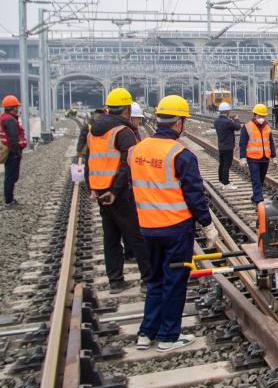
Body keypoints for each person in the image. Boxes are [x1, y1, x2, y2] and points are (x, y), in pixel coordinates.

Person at [129, 94, 217, 352]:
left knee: (155, 279)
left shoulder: (137, 150)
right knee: (175, 281)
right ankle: (168, 336)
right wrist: (207, 225)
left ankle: (146, 333)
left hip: (147, 228)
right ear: (179, 122)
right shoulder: (181, 155)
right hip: (175, 229)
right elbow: (194, 196)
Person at [85, 88, 152, 294]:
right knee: (136, 237)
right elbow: (127, 166)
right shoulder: (123, 132)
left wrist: (92, 188)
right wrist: (115, 190)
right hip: (120, 194)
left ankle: (115, 281)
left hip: (101, 192)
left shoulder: (93, 132)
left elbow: (89, 161)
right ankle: (148, 280)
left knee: (111, 238)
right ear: (126, 110)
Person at [239, 104, 276, 205]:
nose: (262, 118)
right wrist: (243, 157)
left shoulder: (267, 127)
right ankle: (259, 201)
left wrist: (274, 156)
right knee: (256, 180)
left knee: (261, 179)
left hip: (265, 158)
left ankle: (255, 197)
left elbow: (271, 142)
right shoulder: (247, 127)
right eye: (260, 116)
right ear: (255, 115)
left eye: (263, 116)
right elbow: (242, 143)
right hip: (253, 158)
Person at [1, 95, 27, 208]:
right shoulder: (10, 120)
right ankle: (9, 201)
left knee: (10, 176)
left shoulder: (6, 118)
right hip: (12, 153)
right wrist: (17, 153)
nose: (17, 109)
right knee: (11, 176)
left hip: (10, 152)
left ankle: (9, 199)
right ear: (13, 108)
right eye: (16, 107)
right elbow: (13, 138)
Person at [214, 102, 241, 189]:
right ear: (227, 111)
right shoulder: (228, 122)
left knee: (222, 164)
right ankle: (226, 183)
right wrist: (236, 119)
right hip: (228, 147)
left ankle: (221, 181)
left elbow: (228, 126)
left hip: (221, 146)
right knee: (227, 165)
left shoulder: (216, 121)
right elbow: (237, 127)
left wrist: (230, 120)